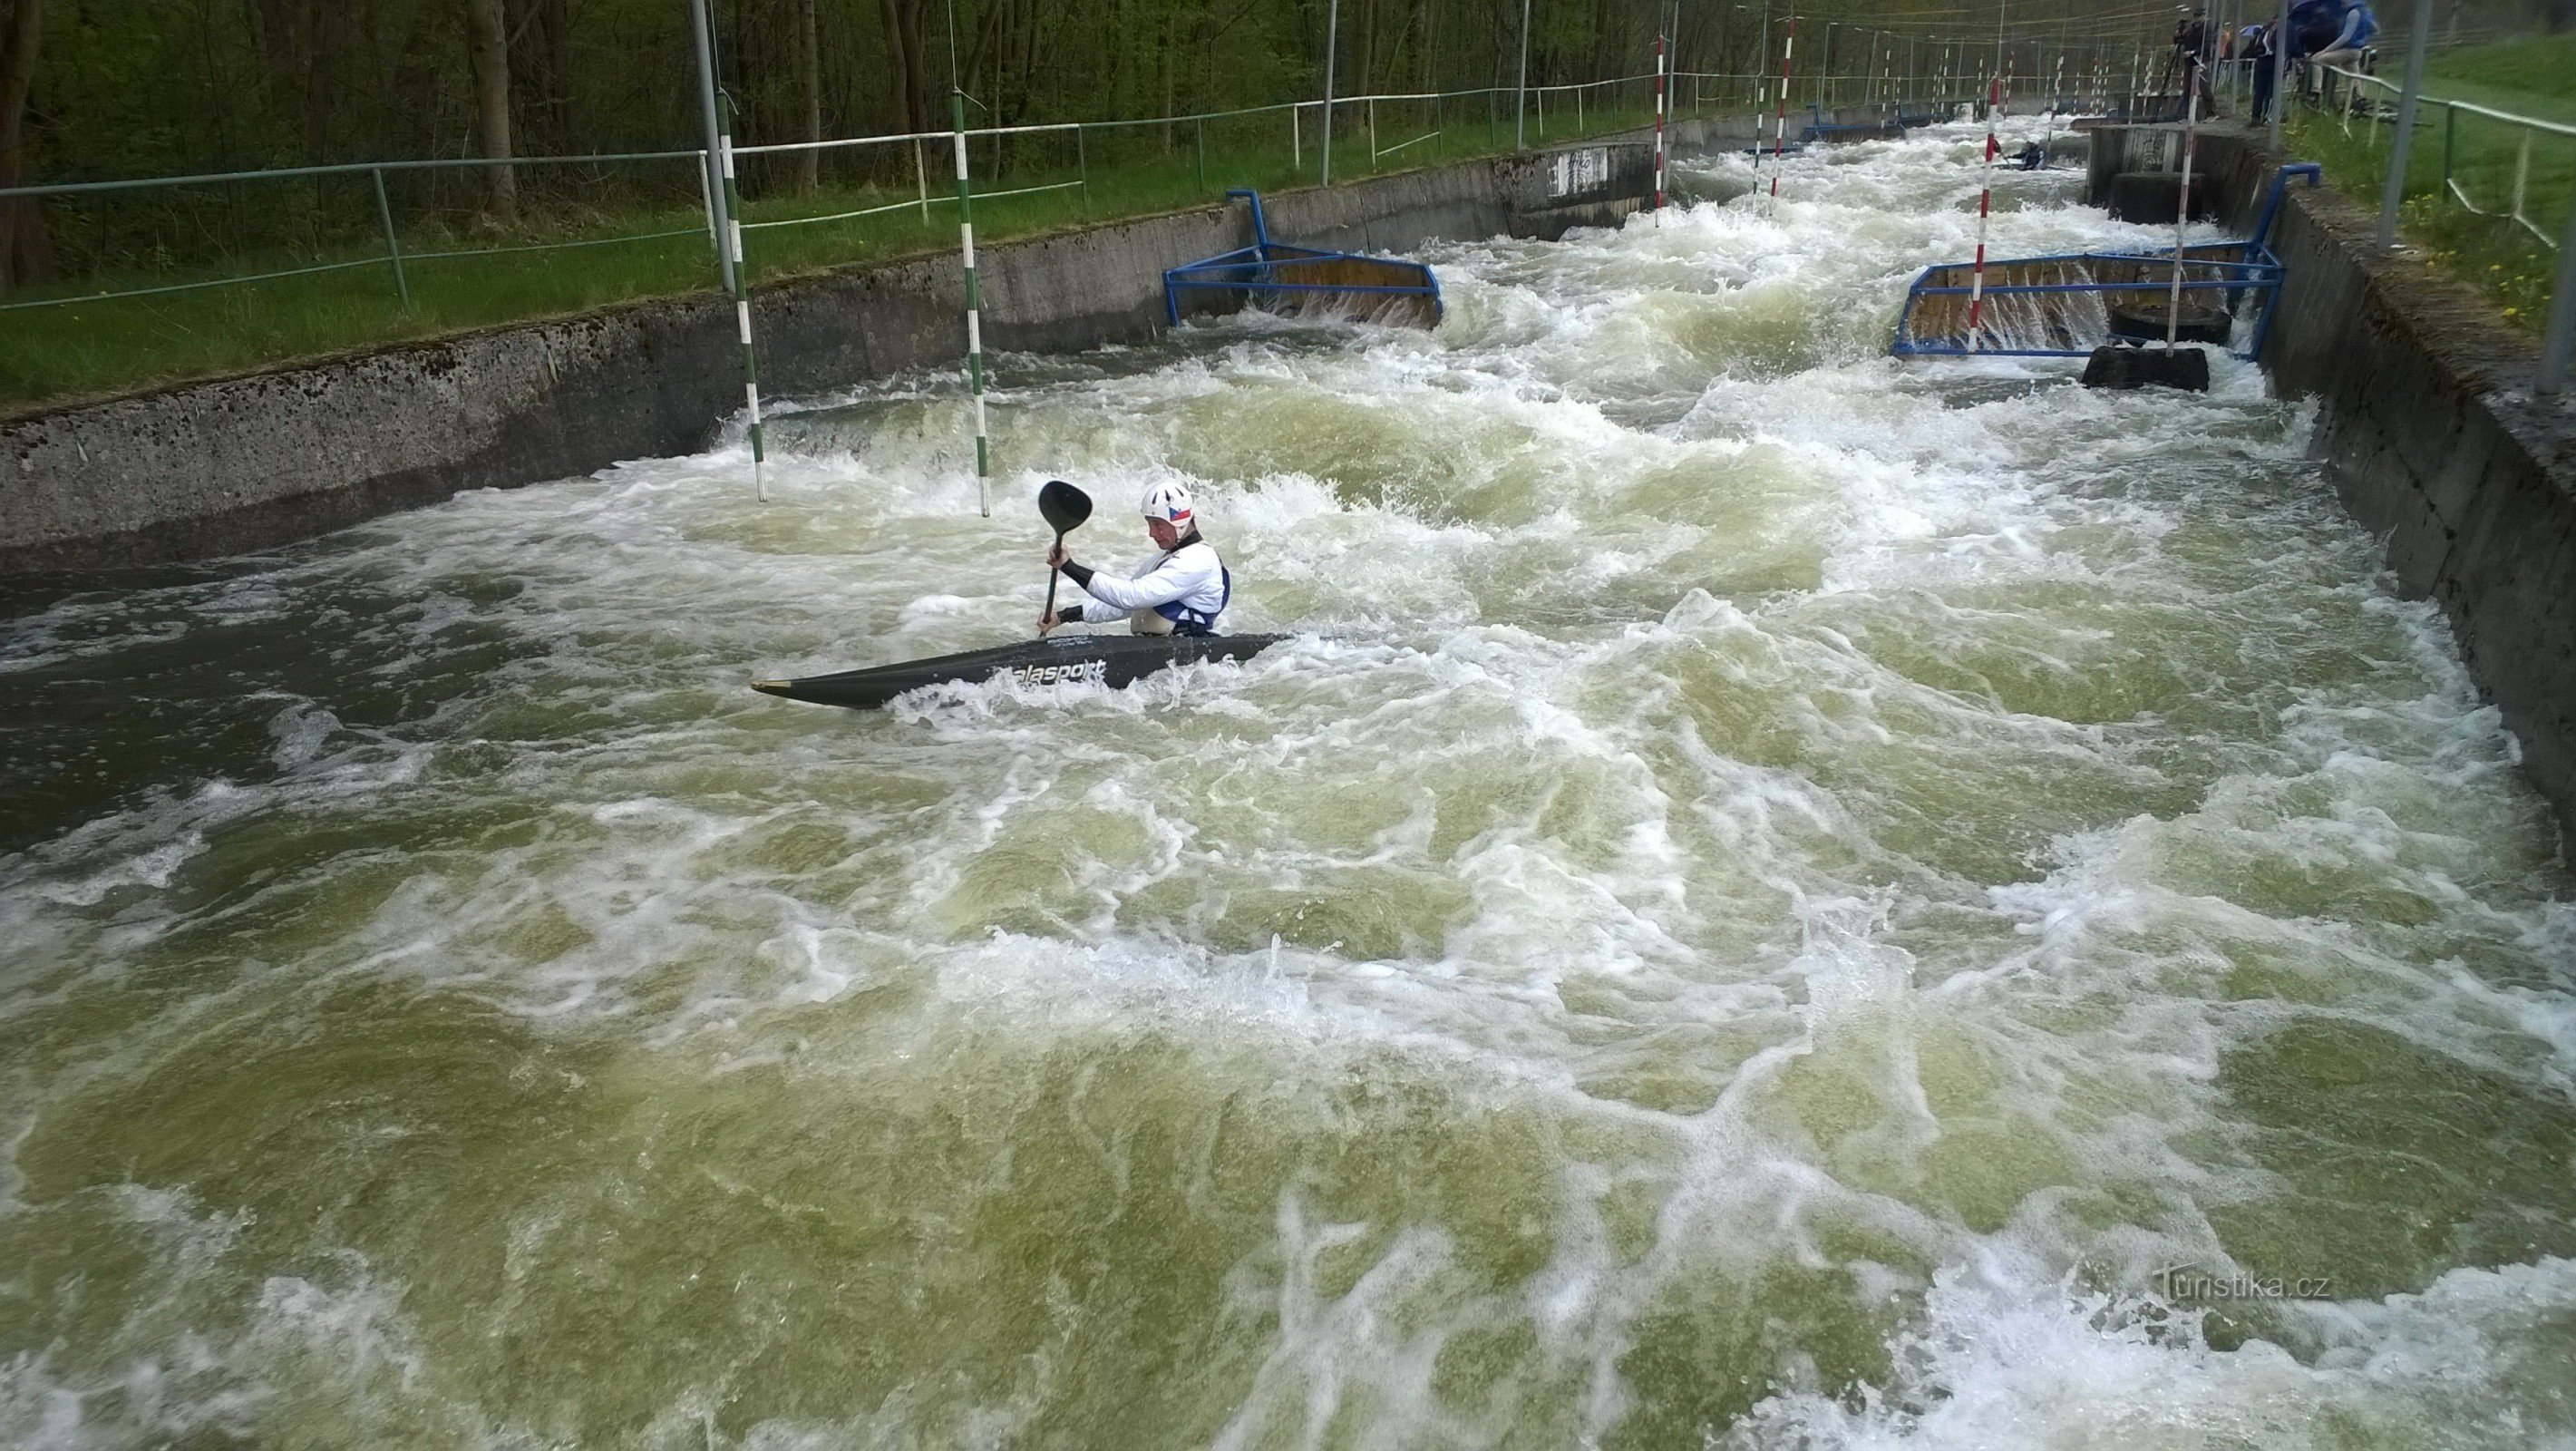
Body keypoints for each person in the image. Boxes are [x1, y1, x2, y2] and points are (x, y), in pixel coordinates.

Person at [1041, 482, 1231, 636]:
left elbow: (1130, 597)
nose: (1151, 533)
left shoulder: (1198, 561)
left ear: (1179, 521)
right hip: (1161, 652)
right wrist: (1063, 616)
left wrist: (1069, 567)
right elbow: (1120, 605)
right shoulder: (1164, 559)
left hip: (1186, 659)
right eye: (1149, 524)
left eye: (1157, 524)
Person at [2241, 22, 2278, 124]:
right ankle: (2267, 118)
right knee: (2271, 92)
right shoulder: (2281, 28)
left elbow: (2253, 47)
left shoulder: (2265, 29)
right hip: (2274, 61)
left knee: (2259, 91)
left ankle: (2255, 116)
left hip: (2261, 61)